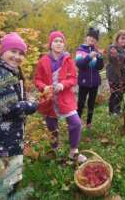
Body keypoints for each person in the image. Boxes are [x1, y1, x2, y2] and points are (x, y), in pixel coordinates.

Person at [0, 32, 37, 187]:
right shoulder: (0, 73)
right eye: (13, 51)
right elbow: (8, 107)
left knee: (8, 171)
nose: (17, 56)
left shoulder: (8, 71)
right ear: (3, 52)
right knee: (10, 176)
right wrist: (31, 105)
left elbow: (9, 98)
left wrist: (23, 98)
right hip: (3, 136)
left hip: (8, 133)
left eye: (21, 53)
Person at [34, 31, 87, 163]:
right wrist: (44, 87)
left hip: (65, 98)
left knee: (76, 123)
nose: (58, 43)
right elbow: (37, 80)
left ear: (64, 44)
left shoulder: (68, 60)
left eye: (61, 41)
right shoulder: (43, 61)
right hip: (49, 100)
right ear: (50, 44)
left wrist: (63, 85)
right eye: (56, 41)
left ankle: (73, 152)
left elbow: (73, 78)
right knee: (52, 126)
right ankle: (55, 149)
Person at [75, 27, 104, 128]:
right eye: (90, 36)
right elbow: (79, 64)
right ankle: (77, 123)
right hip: (84, 81)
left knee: (91, 103)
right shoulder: (80, 50)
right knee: (81, 103)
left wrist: (100, 57)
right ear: (86, 37)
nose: (92, 39)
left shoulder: (96, 50)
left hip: (95, 82)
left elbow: (100, 67)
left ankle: (89, 123)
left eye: (94, 37)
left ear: (96, 40)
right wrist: (89, 57)